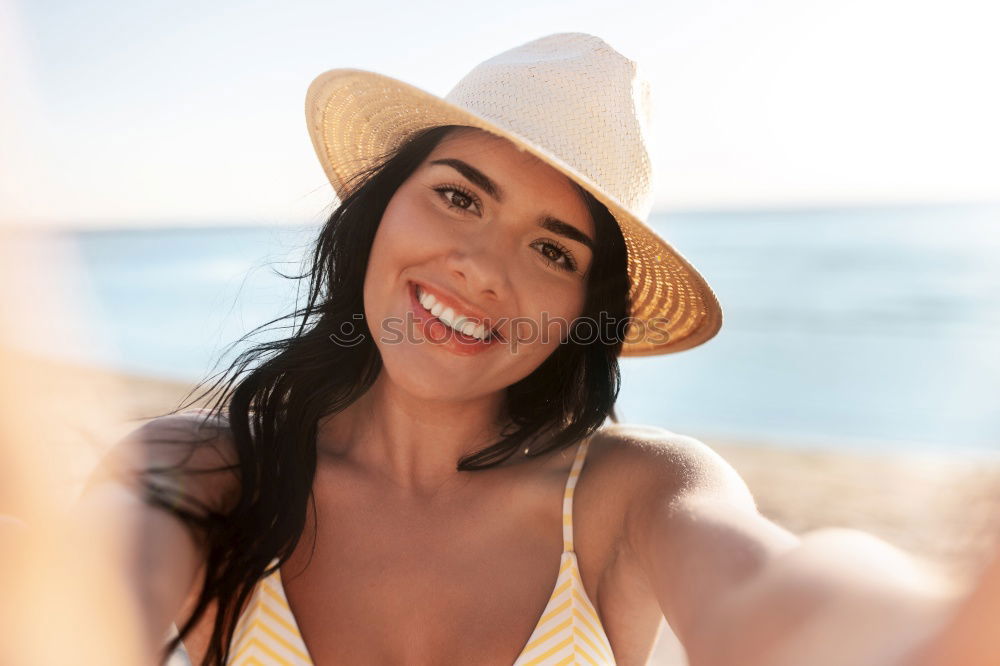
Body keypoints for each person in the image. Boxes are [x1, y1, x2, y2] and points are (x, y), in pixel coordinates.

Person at [78, 33, 964, 666]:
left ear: (586, 310)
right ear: (381, 206)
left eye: (552, 250)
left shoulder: (633, 496)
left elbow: (765, 589)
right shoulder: (204, 473)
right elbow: (82, 596)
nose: (481, 270)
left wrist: (928, 633)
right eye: (459, 197)